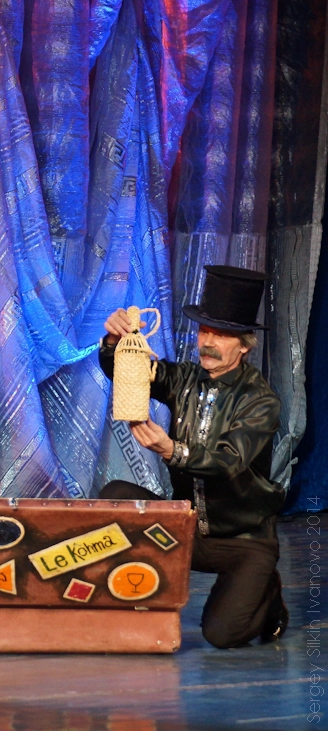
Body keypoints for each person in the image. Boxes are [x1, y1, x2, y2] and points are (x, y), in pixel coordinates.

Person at [98, 265, 287, 649]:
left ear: (245, 346)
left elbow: (227, 461)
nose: (208, 342)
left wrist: (172, 450)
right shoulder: (184, 378)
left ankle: (266, 591)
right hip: (185, 529)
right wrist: (114, 341)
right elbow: (128, 371)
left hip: (241, 541)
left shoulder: (260, 400)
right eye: (204, 331)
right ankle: (133, 600)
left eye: (221, 335)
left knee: (222, 634)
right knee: (114, 495)